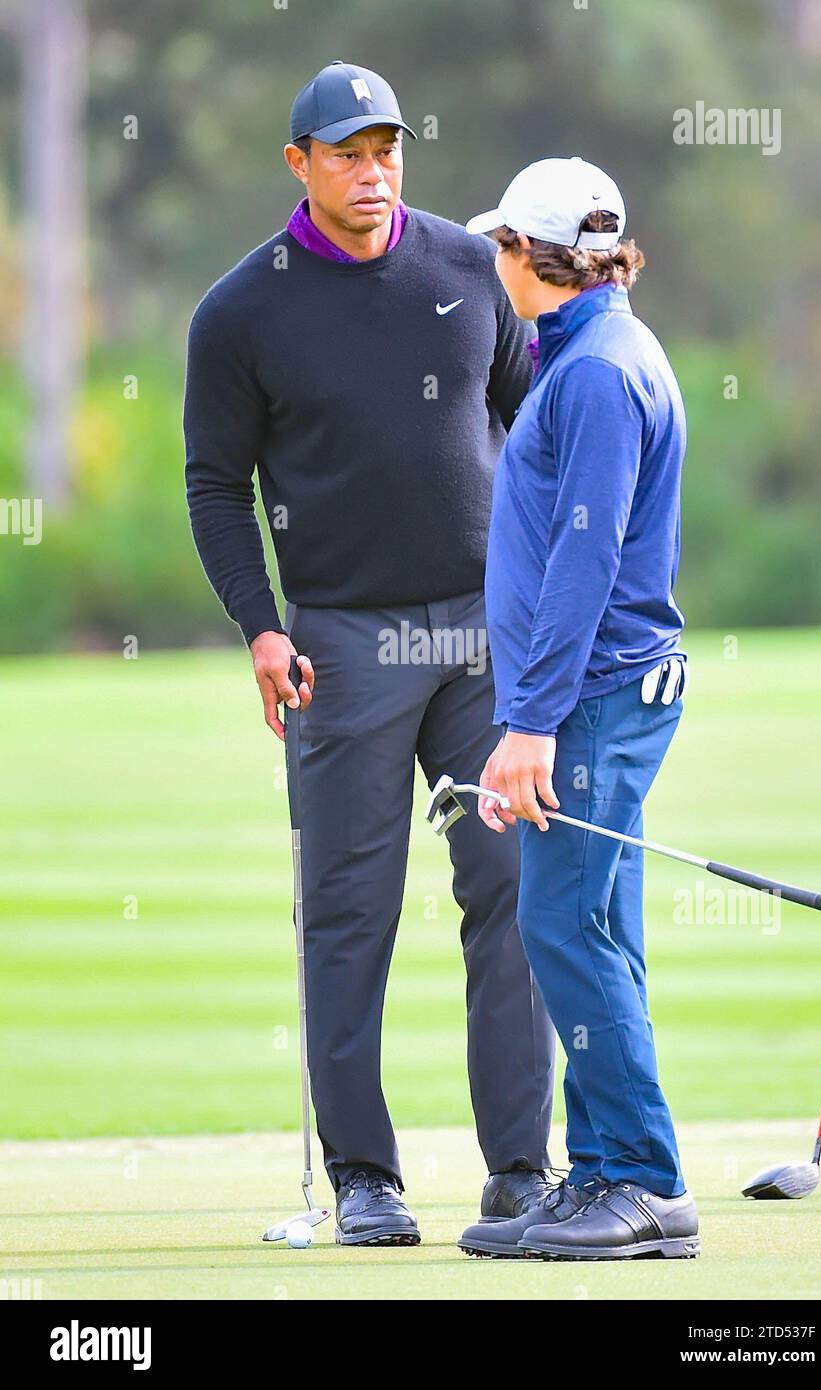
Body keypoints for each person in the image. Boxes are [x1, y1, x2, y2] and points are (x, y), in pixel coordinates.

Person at [183, 62, 556, 1247]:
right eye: (346, 151)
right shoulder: (242, 311)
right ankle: (364, 1176)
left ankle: (519, 1169)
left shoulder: (464, 264)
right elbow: (214, 483)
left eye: (386, 147)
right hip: (338, 643)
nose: (372, 169)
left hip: (477, 632)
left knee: (508, 897)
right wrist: (262, 622)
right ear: (299, 164)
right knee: (349, 911)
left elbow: (526, 420)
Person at [458, 158, 700, 1260]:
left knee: (560, 925)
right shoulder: (592, 354)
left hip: (594, 695)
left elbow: (584, 557)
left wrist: (529, 723)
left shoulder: (595, 372)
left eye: (502, 244)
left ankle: (644, 1179)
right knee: (598, 927)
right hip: (597, 692)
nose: (494, 260)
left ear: (534, 256)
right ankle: (599, 1167)